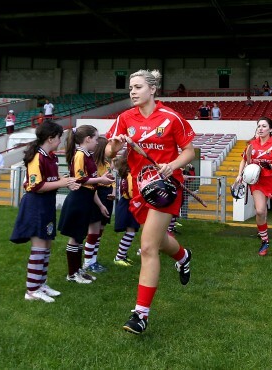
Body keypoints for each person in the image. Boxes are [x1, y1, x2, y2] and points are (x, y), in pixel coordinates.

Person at [105, 69, 196, 335]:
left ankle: (140, 315)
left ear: (153, 89)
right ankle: (183, 255)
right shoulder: (124, 118)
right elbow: (109, 152)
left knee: (147, 247)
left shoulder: (171, 118)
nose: (132, 91)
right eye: (130, 88)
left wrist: (173, 165)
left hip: (165, 188)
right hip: (139, 189)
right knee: (157, 241)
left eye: (138, 87)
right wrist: (115, 144)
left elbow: (189, 151)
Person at [10, 121, 80, 303]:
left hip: (46, 204)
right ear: (50, 138)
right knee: (39, 247)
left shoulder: (50, 156)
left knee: (47, 246)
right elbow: (36, 186)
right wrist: (61, 183)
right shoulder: (37, 157)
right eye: (58, 138)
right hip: (36, 204)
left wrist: (65, 180)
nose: (60, 142)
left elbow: (52, 179)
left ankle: (41, 284)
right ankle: (31, 290)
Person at [58, 125, 115, 285]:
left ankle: (77, 270)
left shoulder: (87, 155)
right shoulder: (80, 155)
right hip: (78, 200)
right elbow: (79, 179)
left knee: (79, 237)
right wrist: (101, 180)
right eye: (96, 139)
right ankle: (72, 273)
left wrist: (100, 204)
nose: (97, 143)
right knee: (75, 237)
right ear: (88, 139)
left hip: (86, 199)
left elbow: (91, 186)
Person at [236, 116, 272, 256]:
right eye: (259, 126)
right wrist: (239, 175)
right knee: (260, 211)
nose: (260, 128)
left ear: (270, 129)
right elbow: (244, 160)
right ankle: (265, 241)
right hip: (259, 182)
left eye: (264, 126)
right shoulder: (251, 144)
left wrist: (270, 166)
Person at [82, 136, 116, 274]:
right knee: (93, 231)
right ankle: (88, 262)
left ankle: (93, 260)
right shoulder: (93, 164)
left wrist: (113, 191)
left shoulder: (106, 164)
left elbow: (112, 180)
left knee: (100, 230)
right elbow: (93, 183)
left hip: (107, 197)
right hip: (98, 196)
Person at [113, 155, 141, 266]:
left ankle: (122, 255)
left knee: (131, 231)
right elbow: (131, 192)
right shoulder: (130, 175)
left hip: (127, 204)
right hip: (129, 204)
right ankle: (119, 257)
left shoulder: (127, 174)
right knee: (130, 232)